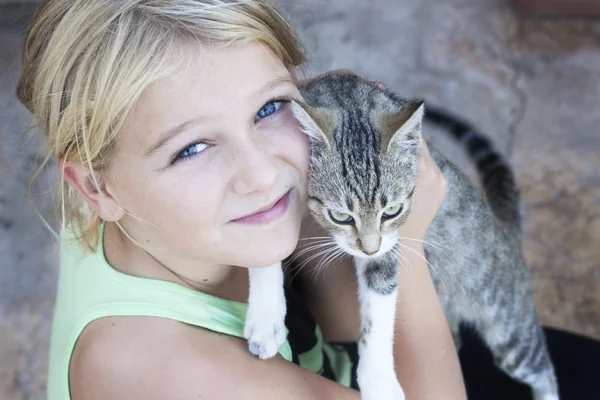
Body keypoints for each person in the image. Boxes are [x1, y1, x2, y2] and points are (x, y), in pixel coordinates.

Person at [17, 1, 600, 400]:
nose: (263, 174)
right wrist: (409, 230)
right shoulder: (157, 371)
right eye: (192, 148)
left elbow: (342, 315)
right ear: (95, 187)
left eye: (269, 108)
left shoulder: (168, 209)